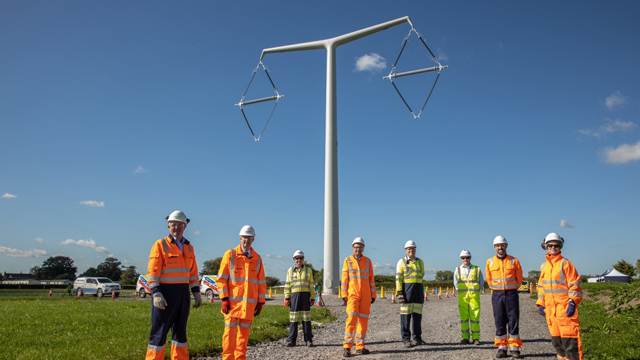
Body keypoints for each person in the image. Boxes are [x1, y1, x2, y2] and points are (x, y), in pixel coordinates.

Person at [145, 210, 202, 360]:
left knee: (180, 333)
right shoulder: (160, 245)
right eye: (173, 225)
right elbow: (153, 271)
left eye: (179, 225)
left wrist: (195, 291)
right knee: (159, 333)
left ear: (185, 226)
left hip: (183, 294)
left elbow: (193, 272)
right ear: (168, 226)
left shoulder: (189, 247)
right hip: (164, 294)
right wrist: (156, 292)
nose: (176, 228)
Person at [216, 225, 267, 360]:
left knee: (243, 340)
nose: (247, 240)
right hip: (232, 306)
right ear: (240, 238)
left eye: (249, 237)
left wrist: (261, 301)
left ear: (253, 239)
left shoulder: (257, 259)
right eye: (244, 237)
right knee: (229, 337)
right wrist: (224, 299)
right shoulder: (230, 255)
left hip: (248, 307)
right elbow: (221, 279)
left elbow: (261, 282)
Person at [536, 233, 583, 360]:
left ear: (560, 246)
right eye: (550, 245)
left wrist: (572, 302)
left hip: (565, 310)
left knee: (571, 344)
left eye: (556, 245)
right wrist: (541, 303)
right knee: (557, 343)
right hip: (551, 312)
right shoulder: (544, 266)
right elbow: (541, 287)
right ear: (545, 246)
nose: (553, 247)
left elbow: (574, 285)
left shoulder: (566, 264)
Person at [486, 235, 523, 359]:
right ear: (494, 247)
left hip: (511, 293)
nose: (500, 247)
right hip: (497, 294)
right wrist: (496, 288)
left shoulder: (514, 261)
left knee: (513, 320)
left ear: (506, 246)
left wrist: (512, 287)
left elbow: (519, 278)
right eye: (497, 245)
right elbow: (489, 279)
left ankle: (514, 347)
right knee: (499, 320)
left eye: (502, 245)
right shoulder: (490, 261)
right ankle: (502, 347)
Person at [341, 237, 376, 357]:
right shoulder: (348, 260)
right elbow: (344, 279)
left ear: (363, 248)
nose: (358, 249)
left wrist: (373, 294)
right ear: (352, 248)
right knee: (351, 319)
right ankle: (347, 347)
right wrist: (344, 294)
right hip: (353, 295)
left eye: (360, 247)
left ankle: (360, 346)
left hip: (365, 295)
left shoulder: (367, 261)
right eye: (356, 247)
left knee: (363, 320)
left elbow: (371, 279)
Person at [395, 240, 426, 348]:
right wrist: (400, 293)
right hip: (407, 292)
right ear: (405, 250)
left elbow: (421, 275)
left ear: (415, 249)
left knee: (417, 316)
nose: (411, 250)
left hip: (418, 291)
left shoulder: (420, 262)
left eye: (412, 248)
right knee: (405, 317)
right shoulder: (401, 262)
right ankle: (406, 339)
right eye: (409, 249)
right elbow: (398, 278)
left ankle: (417, 338)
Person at [284, 250, 316, 347]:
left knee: (306, 319)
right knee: (293, 319)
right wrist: (286, 297)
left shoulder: (308, 270)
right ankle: (291, 340)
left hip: (305, 296)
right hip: (294, 297)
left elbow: (311, 285)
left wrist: (313, 297)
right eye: (297, 258)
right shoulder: (290, 271)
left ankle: (308, 340)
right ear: (294, 259)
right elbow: (287, 285)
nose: (299, 260)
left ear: (303, 259)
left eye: (301, 258)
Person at [454, 249, 484, 345]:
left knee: (475, 318)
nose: (465, 259)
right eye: (463, 258)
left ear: (470, 258)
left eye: (467, 257)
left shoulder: (477, 269)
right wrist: (459, 291)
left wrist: (477, 291)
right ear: (461, 259)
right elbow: (455, 283)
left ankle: (476, 338)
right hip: (463, 298)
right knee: (464, 318)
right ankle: (465, 338)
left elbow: (481, 282)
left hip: (474, 298)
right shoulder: (457, 269)